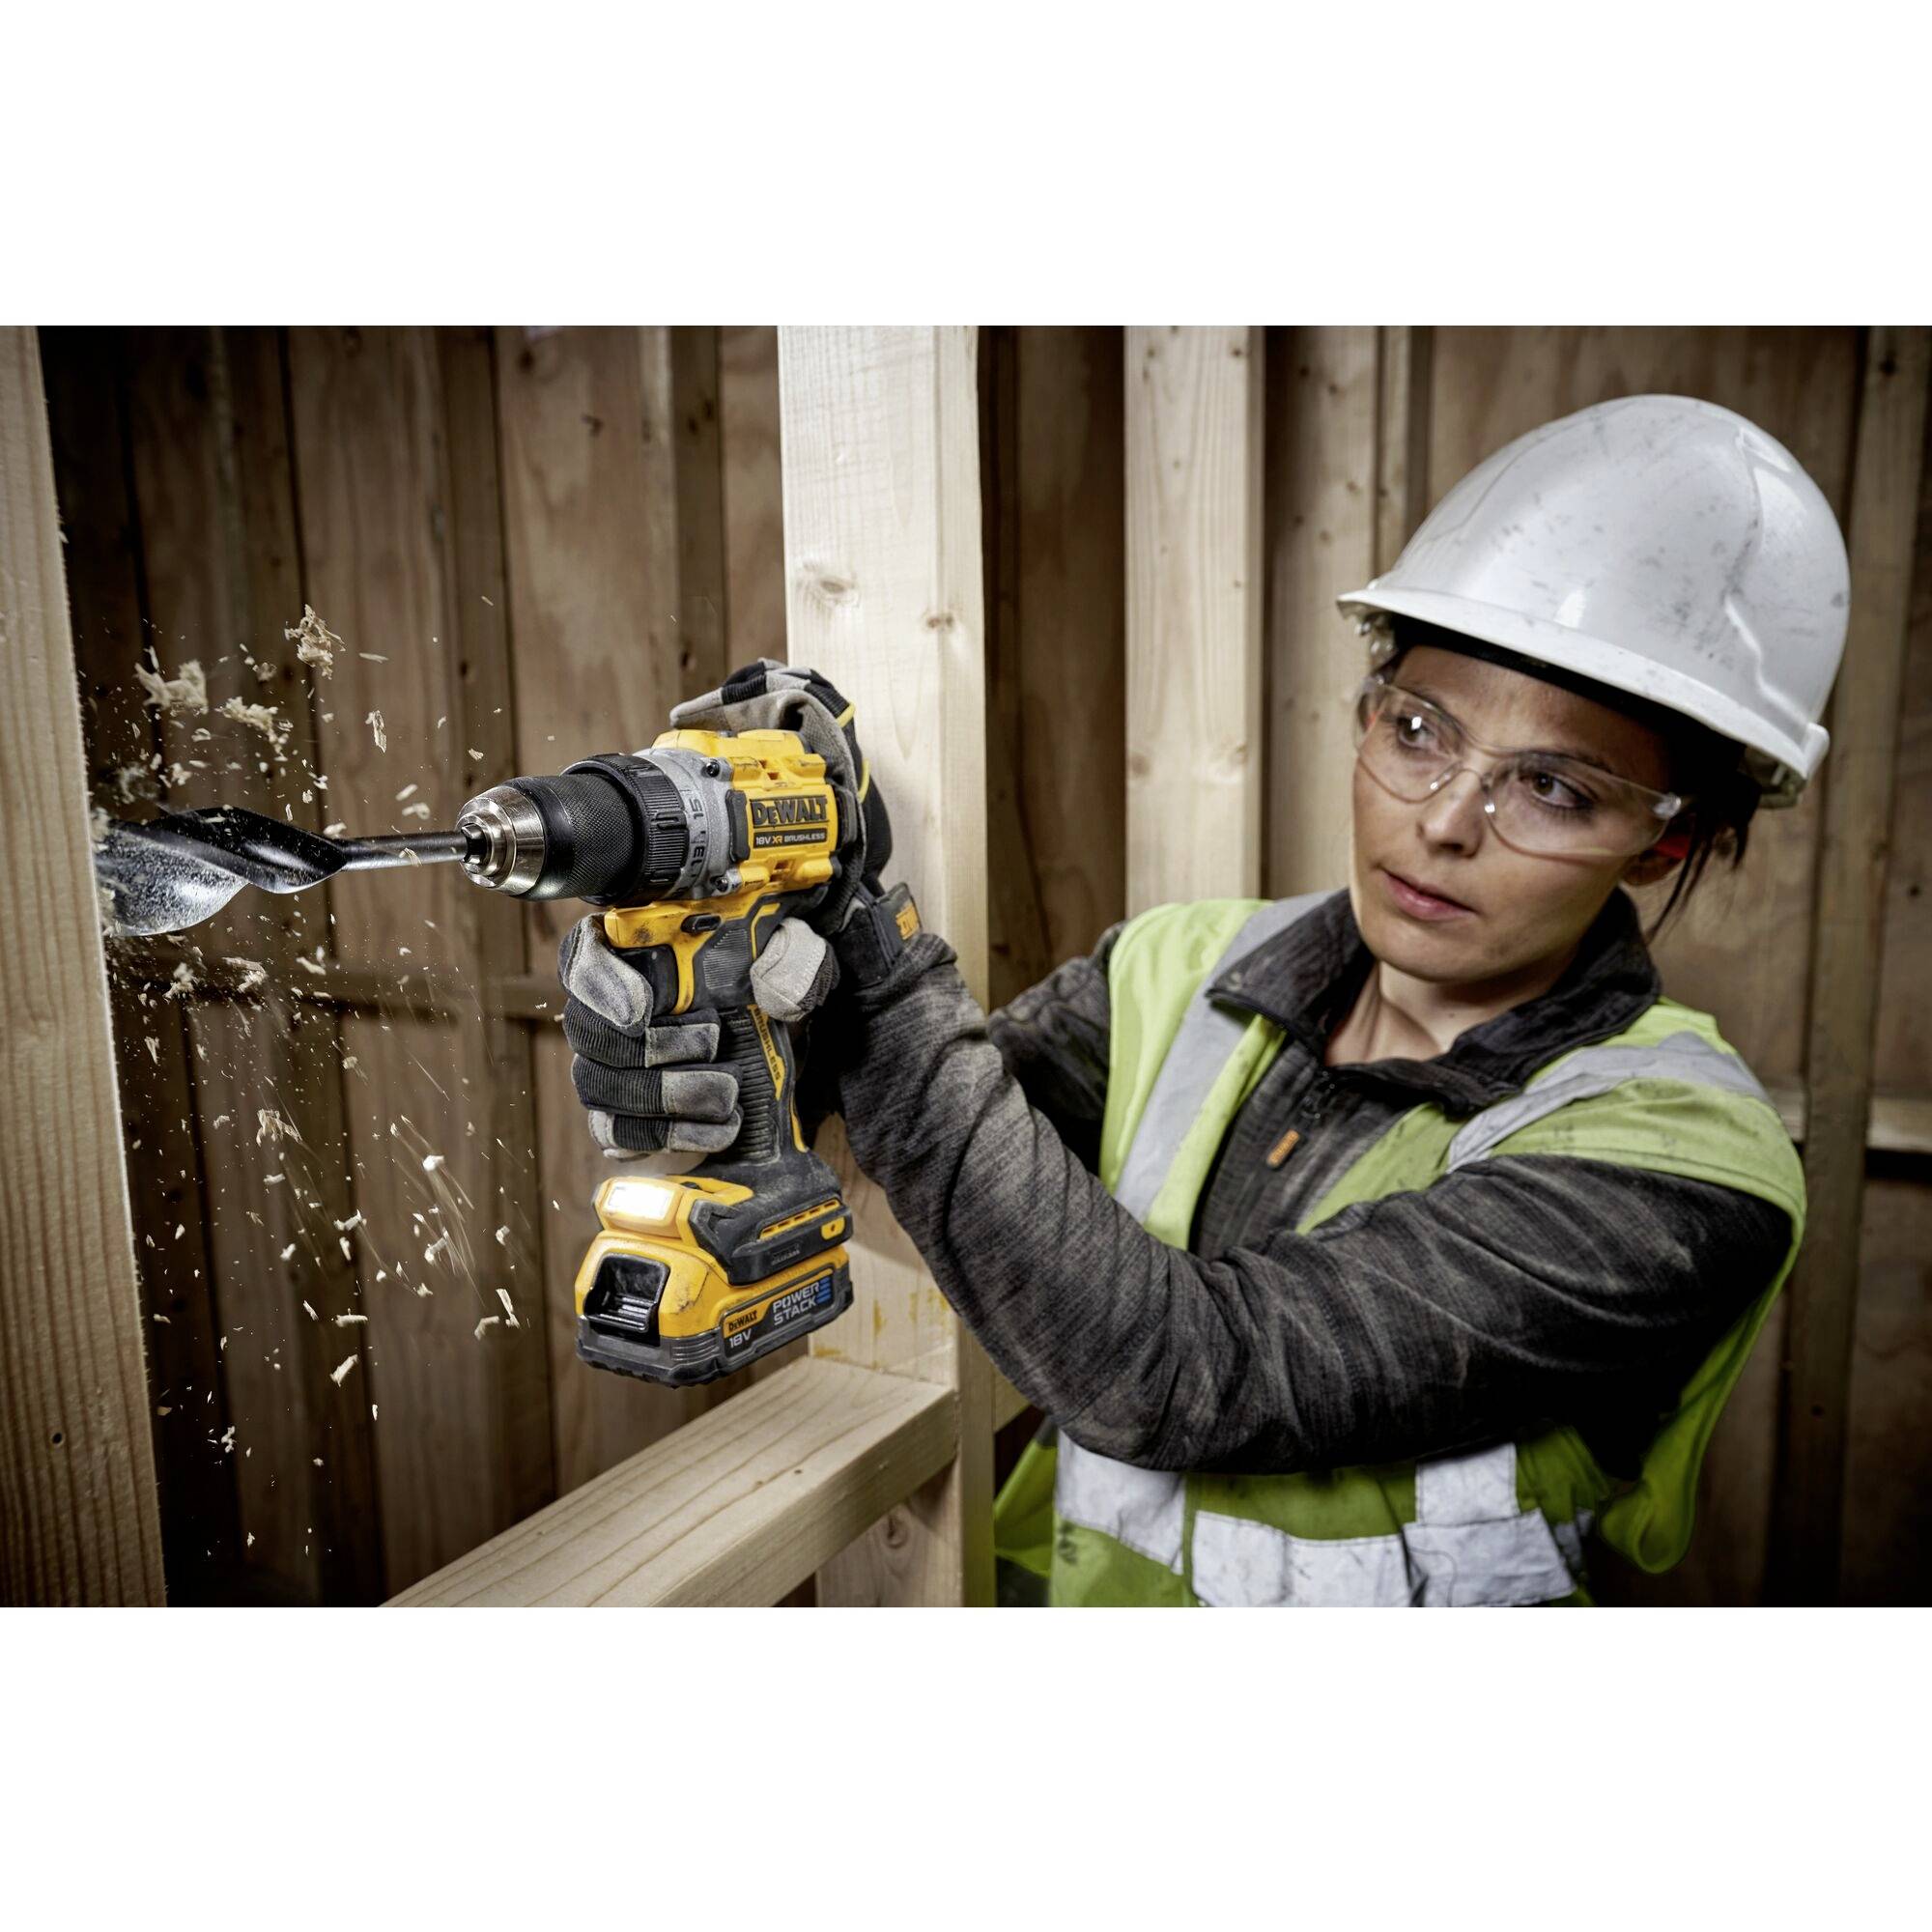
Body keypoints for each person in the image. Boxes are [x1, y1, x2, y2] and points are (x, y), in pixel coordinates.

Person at [558, 393, 1850, 1607]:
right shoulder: (1183, 965)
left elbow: (1186, 1374)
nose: (1446, 821)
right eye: (1418, 730)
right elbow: (944, 1134)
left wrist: (880, 970)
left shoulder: (1686, 1169)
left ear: (1668, 842)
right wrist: (745, 1023)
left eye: (1554, 788)